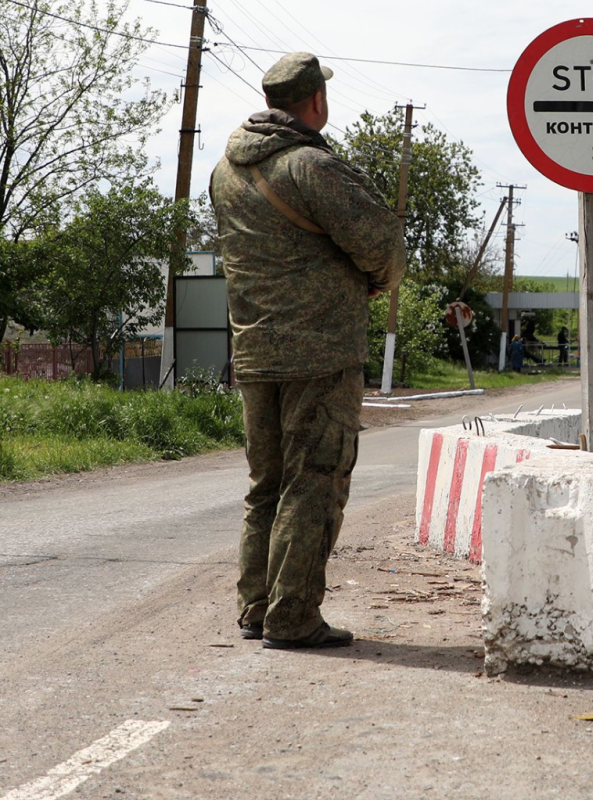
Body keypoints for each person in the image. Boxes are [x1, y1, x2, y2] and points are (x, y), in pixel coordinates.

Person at [209, 52, 404, 650]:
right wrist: (378, 276)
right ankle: (292, 617)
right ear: (315, 100)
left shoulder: (226, 171)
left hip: (254, 351)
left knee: (265, 486)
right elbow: (380, 243)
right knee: (314, 481)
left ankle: (256, 607)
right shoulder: (311, 167)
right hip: (319, 352)